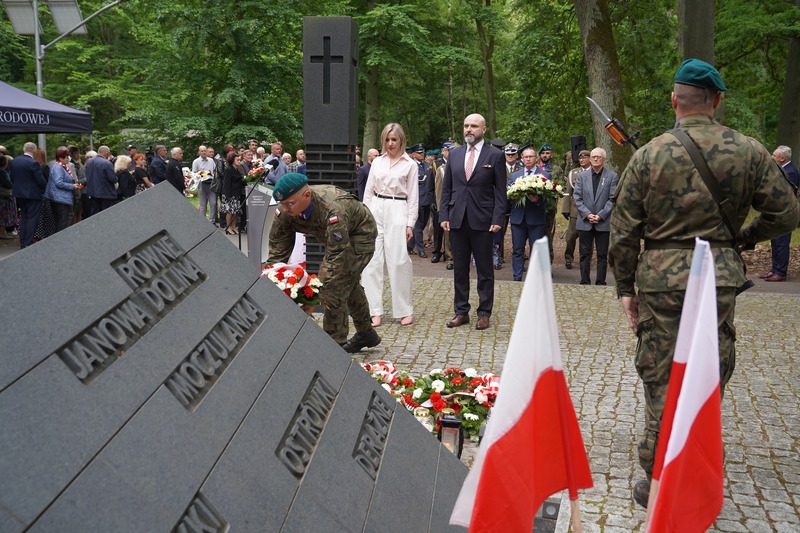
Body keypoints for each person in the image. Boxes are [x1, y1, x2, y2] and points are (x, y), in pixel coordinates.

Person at [608, 58, 800, 509]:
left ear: (675, 100)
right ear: (716, 101)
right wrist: (739, 241)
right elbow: (788, 212)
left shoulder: (650, 153)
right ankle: (695, 469)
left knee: (660, 374)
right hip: (717, 276)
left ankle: (656, 477)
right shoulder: (749, 151)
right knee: (707, 372)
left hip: (659, 279)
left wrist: (625, 288)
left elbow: (623, 231)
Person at [268, 173, 381, 353]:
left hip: (360, 235)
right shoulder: (285, 211)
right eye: (283, 204)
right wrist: (274, 279)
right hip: (334, 237)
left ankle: (334, 346)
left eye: (290, 203)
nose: (286, 209)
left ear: (307, 195)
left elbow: (336, 256)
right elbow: (277, 252)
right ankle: (366, 333)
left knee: (334, 286)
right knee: (348, 284)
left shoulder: (333, 209)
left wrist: (311, 296)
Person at [439, 113, 506, 330]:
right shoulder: (455, 154)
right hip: (457, 219)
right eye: (466, 125)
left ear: (484, 129)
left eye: (474, 126)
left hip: (483, 221)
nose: (469, 129)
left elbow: (500, 191)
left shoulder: (494, 156)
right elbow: (447, 188)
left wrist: (497, 218)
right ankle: (461, 311)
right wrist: (444, 215)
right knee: (459, 268)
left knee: (485, 269)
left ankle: (484, 312)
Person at [362, 124, 418, 327]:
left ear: (401, 140)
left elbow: (413, 197)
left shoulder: (410, 165)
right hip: (376, 206)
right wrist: (365, 215)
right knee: (371, 261)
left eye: (394, 139)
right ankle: (373, 310)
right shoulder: (377, 162)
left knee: (398, 261)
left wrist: (410, 223)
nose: (390, 143)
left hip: (398, 208)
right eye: (387, 139)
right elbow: (368, 191)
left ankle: (404, 309)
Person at [573, 147, 617, 285]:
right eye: (593, 156)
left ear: (604, 159)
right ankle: (584, 280)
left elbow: (612, 199)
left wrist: (601, 215)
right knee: (584, 253)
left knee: (602, 254)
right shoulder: (581, 176)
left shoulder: (612, 176)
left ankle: (600, 281)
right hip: (585, 221)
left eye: (598, 156)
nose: (595, 159)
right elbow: (577, 198)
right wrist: (587, 214)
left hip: (602, 222)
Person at [508, 147, 551, 281]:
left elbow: (550, 198)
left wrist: (538, 200)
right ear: (521, 158)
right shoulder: (515, 175)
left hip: (536, 219)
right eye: (525, 157)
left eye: (530, 156)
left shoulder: (545, 175)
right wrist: (513, 197)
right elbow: (508, 193)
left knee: (536, 251)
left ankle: (535, 278)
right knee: (517, 250)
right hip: (518, 219)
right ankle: (517, 276)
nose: (528, 159)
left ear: (536, 158)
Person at [760, 145, 800, 281]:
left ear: (782, 158)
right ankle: (774, 269)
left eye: (774, 155)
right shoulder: (781, 169)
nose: (772, 157)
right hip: (776, 211)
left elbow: (784, 191)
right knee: (775, 242)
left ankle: (781, 272)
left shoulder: (791, 172)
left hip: (785, 212)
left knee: (782, 242)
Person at [10, 142, 46, 248]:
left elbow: (12, 177)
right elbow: (40, 180)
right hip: (33, 194)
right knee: (32, 218)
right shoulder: (33, 163)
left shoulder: (14, 161)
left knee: (23, 217)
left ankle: (22, 241)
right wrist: (43, 189)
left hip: (19, 193)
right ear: (34, 151)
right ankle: (28, 242)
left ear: (23, 149)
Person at [562, 150, 591, 269]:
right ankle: (568, 258)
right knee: (571, 236)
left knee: (588, 236)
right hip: (575, 209)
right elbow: (568, 192)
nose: (582, 160)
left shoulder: (595, 172)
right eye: (580, 158)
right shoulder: (574, 173)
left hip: (590, 209)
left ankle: (586, 259)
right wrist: (565, 209)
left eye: (585, 158)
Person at [44, 146, 83, 233]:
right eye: (66, 156)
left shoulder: (61, 166)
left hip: (60, 198)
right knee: (63, 222)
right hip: (60, 199)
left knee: (62, 221)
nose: (68, 158)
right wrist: (73, 186)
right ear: (61, 158)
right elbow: (59, 182)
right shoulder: (58, 167)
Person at [408, 143, 435, 258]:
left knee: (423, 224)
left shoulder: (427, 165)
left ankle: (409, 246)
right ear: (413, 154)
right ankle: (420, 249)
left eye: (422, 152)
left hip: (426, 200)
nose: (422, 154)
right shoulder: (411, 166)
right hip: (416, 199)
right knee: (418, 226)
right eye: (419, 153)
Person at [84, 146, 118, 215]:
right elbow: (112, 178)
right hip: (106, 194)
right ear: (106, 153)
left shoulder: (89, 163)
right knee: (106, 215)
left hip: (93, 194)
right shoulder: (107, 163)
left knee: (95, 214)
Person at [192, 145, 218, 224]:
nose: (203, 152)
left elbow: (214, 170)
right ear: (199, 152)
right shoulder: (196, 161)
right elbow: (194, 174)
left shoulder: (211, 160)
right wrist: (204, 174)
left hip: (211, 183)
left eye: (205, 150)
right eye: (202, 151)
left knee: (213, 203)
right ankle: (202, 222)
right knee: (203, 204)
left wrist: (214, 177)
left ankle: (212, 221)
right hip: (201, 184)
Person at [220, 151, 244, 235]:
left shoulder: (237, 170)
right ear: (232, 160)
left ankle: (233, 227)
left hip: (236, 193)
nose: (239, 161)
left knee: (236, 211)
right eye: (237, 160)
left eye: (240, 160)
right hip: (230, 194)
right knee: (229, 211)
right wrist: (228, 195)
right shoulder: (228, 170)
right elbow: (226, 183)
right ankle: (228, 227)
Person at [0, 154, 19, 240]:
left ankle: (3, 232)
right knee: (4, 216)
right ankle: (3, 233)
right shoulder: (3, 172)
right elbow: (9, 184)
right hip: (4, 196)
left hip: (2, 196)